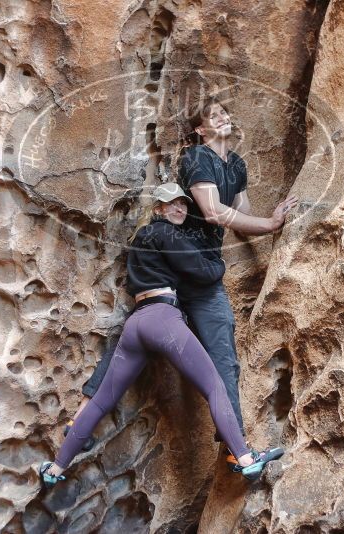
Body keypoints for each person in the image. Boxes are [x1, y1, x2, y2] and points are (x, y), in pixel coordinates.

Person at [66, 97, 299, 469]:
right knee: (133, 339)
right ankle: (80, 416)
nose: (224, 117)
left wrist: (272, 222)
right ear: (200, 130)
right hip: (178, 267)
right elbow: (212, 212)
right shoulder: (197, 158)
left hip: (205, 274)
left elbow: (242, 215)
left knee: (224, 357)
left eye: (226, 112)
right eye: (215, 115)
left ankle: (236, 449)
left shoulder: (236, 165)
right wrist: (269, 225)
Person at [39, 184, 284, 487]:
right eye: (172, 204)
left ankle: (55, 469)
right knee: (215, 386)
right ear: (158, 209)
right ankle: (246, 459)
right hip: (162, 319)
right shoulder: (167, 233)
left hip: (136, 322)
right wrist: (218, 262)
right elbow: (205, 272)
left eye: (182, 204)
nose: (179, 209)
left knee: (102, 402)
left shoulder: (140, 239)